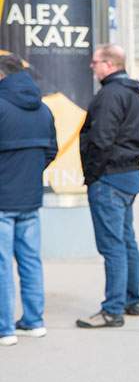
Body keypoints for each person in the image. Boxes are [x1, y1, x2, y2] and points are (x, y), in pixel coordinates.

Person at [77, 44, 139, 328]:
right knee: (127, 240)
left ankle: (112, 309)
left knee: (113, 245)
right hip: (129, 175)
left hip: (108, 177)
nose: (91, 67)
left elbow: (101, 139)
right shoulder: (133, 92)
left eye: (95, 62)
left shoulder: (109, 95)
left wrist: (92, 174)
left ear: (109, 64)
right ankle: (132, 300)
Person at [0, 54, 58, 347]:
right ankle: (34, 322)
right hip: (30, 197)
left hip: (2, 200)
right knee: (31, 261)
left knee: (1, 265)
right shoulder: (44, 109)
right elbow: (51, 151)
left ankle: (4, 328)